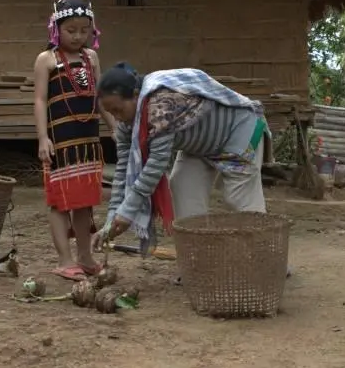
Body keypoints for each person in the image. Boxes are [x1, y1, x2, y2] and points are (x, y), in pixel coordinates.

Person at [89, 64, 272, 257]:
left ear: (135, 95)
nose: (117, 118)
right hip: (200, 146)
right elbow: (123, 170)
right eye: (111, 113)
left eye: (118, 110)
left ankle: (267, 257)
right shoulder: (127, 123)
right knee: (183, 186)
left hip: (238, 131)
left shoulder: (161, 106)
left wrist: (127, 212)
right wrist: (111, 220)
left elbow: (155, 167)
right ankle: (198, 259)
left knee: (239, 198)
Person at [34, 0, 113, 282]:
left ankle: (85, 257)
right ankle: (65, 260)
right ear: (56, 29)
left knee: (84, 201)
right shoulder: (46, 60)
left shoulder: (91, 57)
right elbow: (40, 100)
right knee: (60, 201)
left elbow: (100, 95)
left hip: (87, 142)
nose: (78, 36)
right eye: (70, 30)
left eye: (84, 30)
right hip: (60, 142)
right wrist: (43, 137)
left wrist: (113, 126)